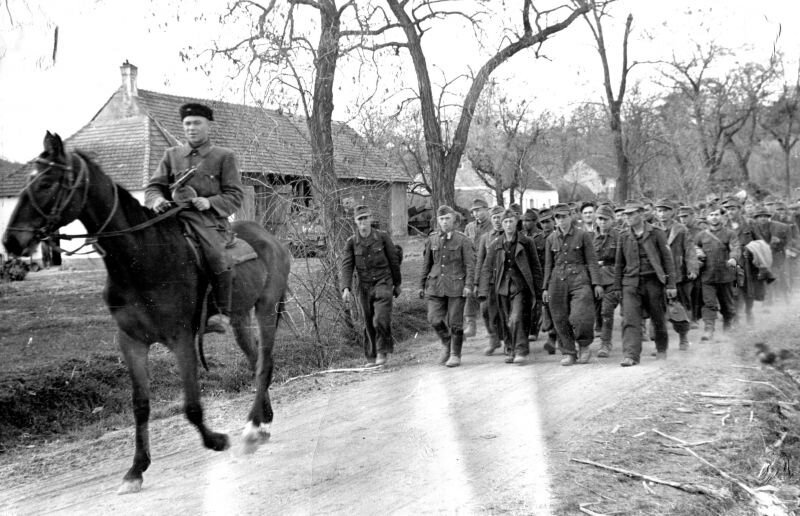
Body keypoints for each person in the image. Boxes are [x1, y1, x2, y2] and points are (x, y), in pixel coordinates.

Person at [145, 103, 244, 334]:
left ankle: (221, 313)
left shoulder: (224, 157)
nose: (191, 128)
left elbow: (235, 195)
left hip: (208, 220)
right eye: (187, 124)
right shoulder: (171, 155)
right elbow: (153, 187)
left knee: (216, 255)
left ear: (208, 125)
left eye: (197, 123)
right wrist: (157, 200)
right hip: (172, 217)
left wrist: (210, 202)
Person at [614, 201, 677, 367]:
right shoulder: (623, 235)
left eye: (631, 214)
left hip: (653, 281)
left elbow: (667, 260)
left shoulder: (656, 233)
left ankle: (661, 349)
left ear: (641, 214)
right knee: (630, 318)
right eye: (626, 214)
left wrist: (671, 284)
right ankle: (631, 355)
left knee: (657, 317)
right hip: (630, 282)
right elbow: (619, 263)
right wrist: (617, 286)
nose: (627, 217)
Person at [479, 209, 543, 364]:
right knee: (506, 319)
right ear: (501, 224)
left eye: (511, 221)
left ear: (516, 222)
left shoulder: (527, 242)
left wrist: (540, 290)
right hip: (501, 287)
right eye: (505, 222)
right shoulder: (495, 244)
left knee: (517, 318)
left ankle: (521, 350)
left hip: (521, 287)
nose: (508, 225)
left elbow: (535, 267)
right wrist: (483, 290)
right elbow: (487, 268)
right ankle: (509, 349)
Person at [341, 205, 402, 367]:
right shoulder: (352, 242)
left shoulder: (382, 237)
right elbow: (347, 265)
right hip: (364, 286)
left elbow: (394, 261)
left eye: (365, 218)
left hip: (383, 282)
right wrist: (346, 287)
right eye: (360, 219)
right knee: (368, 322)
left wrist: (397, 284)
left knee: (380, 318)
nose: (363, 222)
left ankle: (382, 352)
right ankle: (371, 356)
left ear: (370, 219)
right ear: (355, 222)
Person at [542, 203, 602, 366]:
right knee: (559, 317)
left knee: (580, 315)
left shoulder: (582, 235)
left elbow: (592, 260)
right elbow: (548, 264)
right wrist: (545, 287)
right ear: (555, 220)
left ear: (571, 217)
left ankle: (584, 346)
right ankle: (568, 352)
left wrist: (596, 283)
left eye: (564, 216)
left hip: (579, 279)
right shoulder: (550, 239)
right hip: (557, 280)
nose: (562, 220)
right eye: (558, 217)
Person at [419, 205, 475, 367]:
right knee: (434, 318)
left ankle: (455, 354)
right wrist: (421, 285)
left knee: (455, 322)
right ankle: (446, 341)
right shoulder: (432, 239)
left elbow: (470, 265)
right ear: (438, 221)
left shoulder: (463, 240)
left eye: (447, 218)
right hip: (436, 286)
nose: (444, 222)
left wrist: (469, 285)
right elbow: (426, 264)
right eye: (441, 219)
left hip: (457, 287)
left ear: (454, 220)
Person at [654, 199, 697, 351]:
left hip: (678, 274)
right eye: (659, 211)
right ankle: (661, 346)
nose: (662, 214)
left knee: (679, 308)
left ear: (672, 212)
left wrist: (692, 268)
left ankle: (683, 337)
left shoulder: (681, 229)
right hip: (658, 274)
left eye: (666, 210)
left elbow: (690, 250)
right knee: (657, 309)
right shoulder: (652, 229)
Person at [694, 204, 741, 341]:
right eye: (711, 215)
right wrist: (698, 252)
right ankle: (709, 329)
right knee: (709, 303)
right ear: (707, 218)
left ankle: (728, 327)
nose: (714, 218)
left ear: (722, 217)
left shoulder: (729, 233)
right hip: (707, 275)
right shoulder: (701, 235)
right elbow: (694, 247)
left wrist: (733, 258)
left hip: (725, 275)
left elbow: (735, 247)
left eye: (717, 215)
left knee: (727, 304)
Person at [474, 205, 506, 355]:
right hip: (490, 280)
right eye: (494, 217)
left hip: (507, 279)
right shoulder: (485, 238)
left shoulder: (511, 235)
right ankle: (493, 337)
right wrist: (476, 283)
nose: (498, 220)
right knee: (486, 309)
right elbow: (480, 261)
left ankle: (509, 340)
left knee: (506, 311)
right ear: (491, 219)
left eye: (500, 217)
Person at [593, 204, 620, 358]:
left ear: (612, 220)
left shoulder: (619, 236)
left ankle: (605, 343)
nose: (602, 222)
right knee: (596, 313)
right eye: (600, 219)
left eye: (605, 219)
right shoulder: (589, 237)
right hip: (595, 280)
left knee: (606, 311)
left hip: (612, 278)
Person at [463, 198, 492, 338]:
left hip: (488, 265)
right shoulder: (469, 227)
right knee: (470, 294)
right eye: (474, 211)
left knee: (487, 295)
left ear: (487, 210)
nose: (476, 214)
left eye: (479, 210)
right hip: (472, 265)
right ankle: (471, 325)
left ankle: (490, 327)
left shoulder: (493, 226)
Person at [537, 208, 559, 354]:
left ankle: (554, 338)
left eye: (548, 221)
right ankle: (552, 335)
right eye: (543, 222)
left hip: (556, 277)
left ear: (553, 221)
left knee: (557, 308)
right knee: (546, 308)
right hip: (541, 277)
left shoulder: (559, 237)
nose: (546, 225)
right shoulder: (537, 239)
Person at [521, 209, 544, 339]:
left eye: (528, 221)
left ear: (535, 222)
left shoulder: (542, 236)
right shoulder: (520, 235)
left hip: (537, 273)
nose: (525, 223)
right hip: (524, 273)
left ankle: (534, 330)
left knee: (537, 302)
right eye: (523, 221)